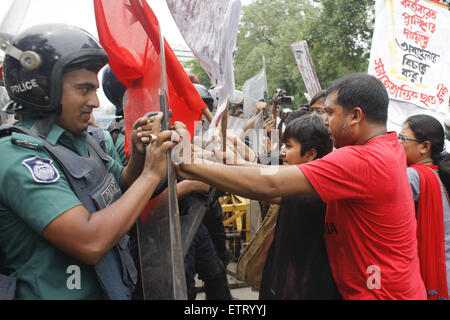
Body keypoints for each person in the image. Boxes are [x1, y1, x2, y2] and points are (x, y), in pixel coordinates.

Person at [176, 73, 426, 299]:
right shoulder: (386, 148)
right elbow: (281, 174)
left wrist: (185, 164)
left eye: (329, 112)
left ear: (355, 116)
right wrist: (228, 162)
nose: (324, 121)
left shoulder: (361, 159)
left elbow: (271, 184)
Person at [0, 24, 173, 300]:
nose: (94, 101)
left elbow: (121, 188)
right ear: (45, 89)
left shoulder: (86, 141)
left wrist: (140, 157)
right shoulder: (17, 156)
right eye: (84, 89)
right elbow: (90, 241)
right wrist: (152, 174)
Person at [259, 113, 340, 299]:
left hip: (303, 287)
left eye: (288, 146)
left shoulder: (312, 193)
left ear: (310, 154)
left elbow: (265, 185)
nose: (282, 152)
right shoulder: (307, 182)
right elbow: (266, 170)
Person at [399, 114, 450, 300]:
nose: (398, 143)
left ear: (424, 147)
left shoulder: (412, 175)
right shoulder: (439, 174)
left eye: (403, 138)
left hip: (431, 276)